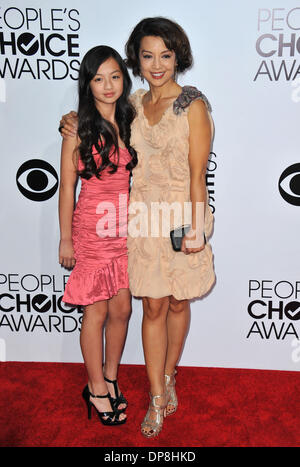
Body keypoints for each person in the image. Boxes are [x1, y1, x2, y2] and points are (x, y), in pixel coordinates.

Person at [59, 16, 215, 438]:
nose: (157, 64)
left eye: (165, 55)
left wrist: (197, 227)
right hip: (141, 219)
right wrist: (69, 120)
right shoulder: (134, 105)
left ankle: (168, 376)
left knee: (179, 304)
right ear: (137, 61)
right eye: (148, 56)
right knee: (153, 307)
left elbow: (198, 174)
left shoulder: (194, 105)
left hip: (182, 219)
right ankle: (156, 397)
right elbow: (97, 116)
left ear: (178, 57)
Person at [58, 45, 137, 426]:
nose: (107, 85)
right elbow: (65, 189)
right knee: (98, 310)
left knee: (122, 308)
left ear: (124, 78)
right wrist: (65, 239)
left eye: (115, 76)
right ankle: (95, 388)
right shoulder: (77, 128)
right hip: (91, 228)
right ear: (87, 84)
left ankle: (110, 375)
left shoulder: (130, 117)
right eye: (98, 78)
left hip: (123, 228)